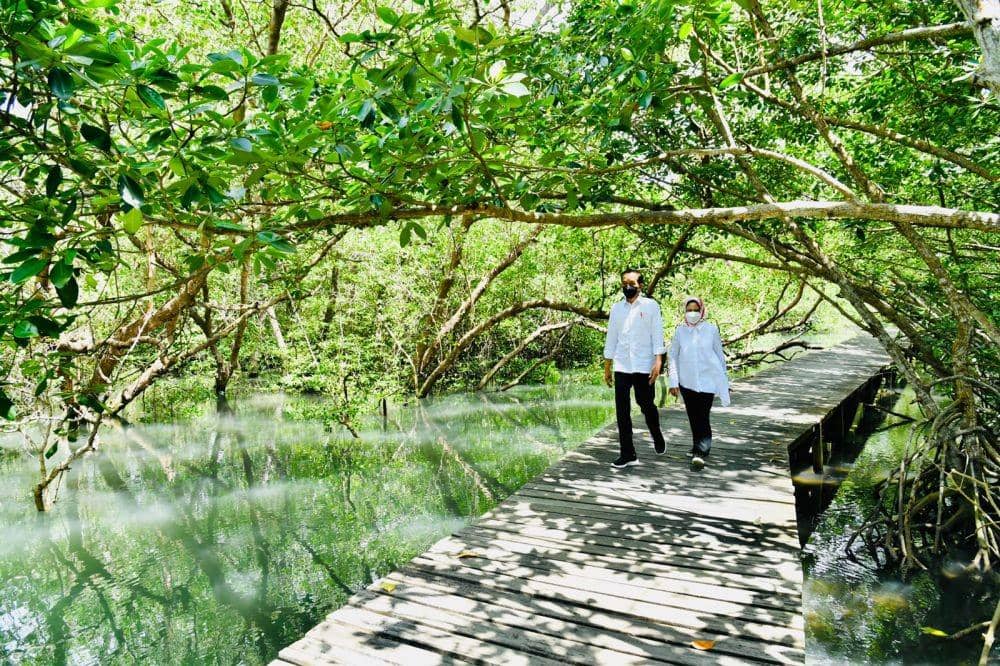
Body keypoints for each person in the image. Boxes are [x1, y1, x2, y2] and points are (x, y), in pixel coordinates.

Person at [602, 269, 667, 468]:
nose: (628, 287)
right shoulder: (616, 309)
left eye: (632, 283)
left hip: (643, 364)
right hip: (622, 364)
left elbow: (657, 334)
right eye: (624, 283)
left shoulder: (650, 306)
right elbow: (611, 337)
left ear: (640, 285)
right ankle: (628, 453)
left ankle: (656, 433)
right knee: (622, 410)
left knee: (646, 404)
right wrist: (607, 365)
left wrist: (658, 361)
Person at [667, 296, 730, 471]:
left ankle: (701, 452)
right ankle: (697, 446)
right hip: (687, 382)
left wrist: (723, 380)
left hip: (707, 380)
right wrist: (673, 381)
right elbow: (673, 356)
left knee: (703, 415)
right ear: (684, 312)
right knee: (693, 416)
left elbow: (719, 355)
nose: (692, 313)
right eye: (689, 310)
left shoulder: (711, 330)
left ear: (701, 311)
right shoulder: (680, 331)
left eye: (696, 309)